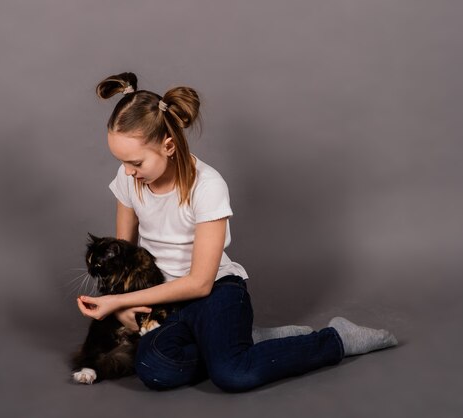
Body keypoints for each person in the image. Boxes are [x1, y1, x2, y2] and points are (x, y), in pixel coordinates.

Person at [77, 72, 398, 392]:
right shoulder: (129, 179)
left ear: (169, 145)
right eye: (121, 162)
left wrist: (122, 301)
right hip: (164, 300)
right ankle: (235, 341)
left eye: (135, 162)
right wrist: (121, 306)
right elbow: (124, 255)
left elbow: (200, 282)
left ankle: (335, 340)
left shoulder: (208, 186)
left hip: (214, 291)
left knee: (233, 373)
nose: (128, 171)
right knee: (154, 368)